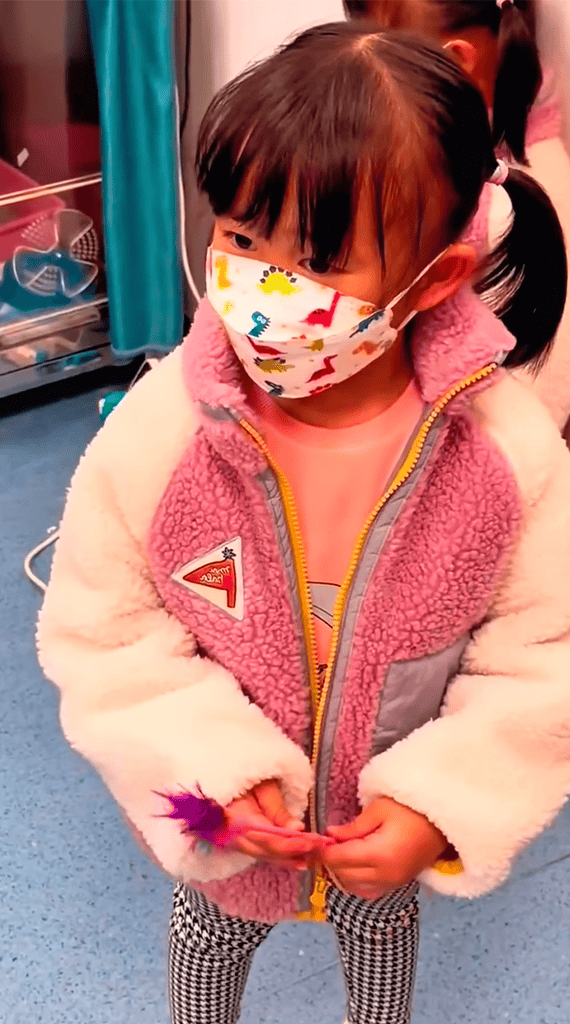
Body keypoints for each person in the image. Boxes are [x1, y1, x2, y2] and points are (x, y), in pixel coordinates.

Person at [37, 22, 570, 1024]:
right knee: (207, 932)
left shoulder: (506, 455)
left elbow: (545, 659)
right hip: (228, 828)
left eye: (321, 259)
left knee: (380, 945)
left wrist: (439, 801)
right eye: (242, 237)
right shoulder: (165, 431)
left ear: (436, 279)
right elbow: (106, 631)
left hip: (386, 827)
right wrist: (207, 776)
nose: (269, 290)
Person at [344, 0, 570, 431]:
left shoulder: (521, 205)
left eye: (379, 67)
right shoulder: (430, 153)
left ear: (455, 61)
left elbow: (541, 392)